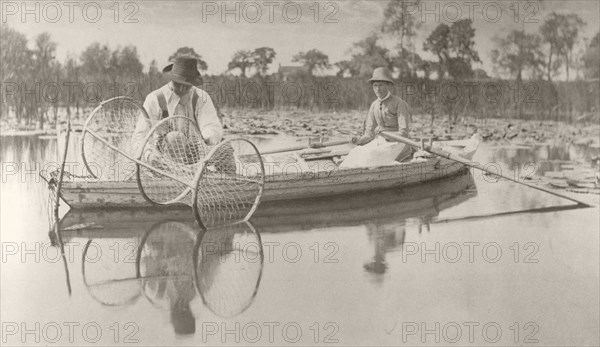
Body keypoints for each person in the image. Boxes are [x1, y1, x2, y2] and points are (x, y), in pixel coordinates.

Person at [132, 57, 224, 167]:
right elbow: (139, 136)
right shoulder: (154, 99)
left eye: (186, 85)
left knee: (225, 148)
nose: (181, 89)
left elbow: (211, 126)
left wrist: (208, 138)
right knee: (175, 138)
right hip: (162, 159)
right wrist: (149, 155)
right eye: (178, 84)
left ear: (193, 83)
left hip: (195, 155)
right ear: (171, 80)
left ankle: (228, 180)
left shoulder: (201, 98)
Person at [340, 68, 413, 168]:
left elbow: (404, 134)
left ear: (388, 85)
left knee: (371, 155)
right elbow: (369, 134)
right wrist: (359, 140)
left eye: (381, 85)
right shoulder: (374, 105)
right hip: (380, 142)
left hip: (398, 144)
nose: (378, 89)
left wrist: (386, 133)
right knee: (356, 152)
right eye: (375, 85)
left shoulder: (399, 103)